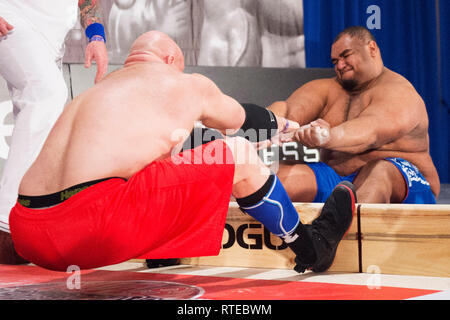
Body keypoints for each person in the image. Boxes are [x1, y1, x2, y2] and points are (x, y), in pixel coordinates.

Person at [9, 31, 356, 274]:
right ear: (171, 59)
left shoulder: (95, 93)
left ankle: (163, 250)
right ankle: (313, 247)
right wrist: (284, 127)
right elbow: (243, 122)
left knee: (167, 158)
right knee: (235, 153)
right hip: (90, 228)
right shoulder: (184, 83)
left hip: (26, 229)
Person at [269, 26, 440, 204]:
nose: (340, 66)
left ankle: (351, 229)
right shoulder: (327, 89)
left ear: (371, 48)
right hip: (340, 181)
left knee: (380, 172)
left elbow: (370, 132)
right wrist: (268, 126)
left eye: (346, 55)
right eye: (335, 61)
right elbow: (287, 110)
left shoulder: (399, 92)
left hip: (405, 185)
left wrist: (327, 137)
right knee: (274, 178)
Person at [0, 0, 108, 263]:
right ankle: (5, 226)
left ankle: (30, 221)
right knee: (46, 94)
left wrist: (96, 36)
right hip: (12, 16)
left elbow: (85, 2)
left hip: (52, 35)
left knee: (47, 116)